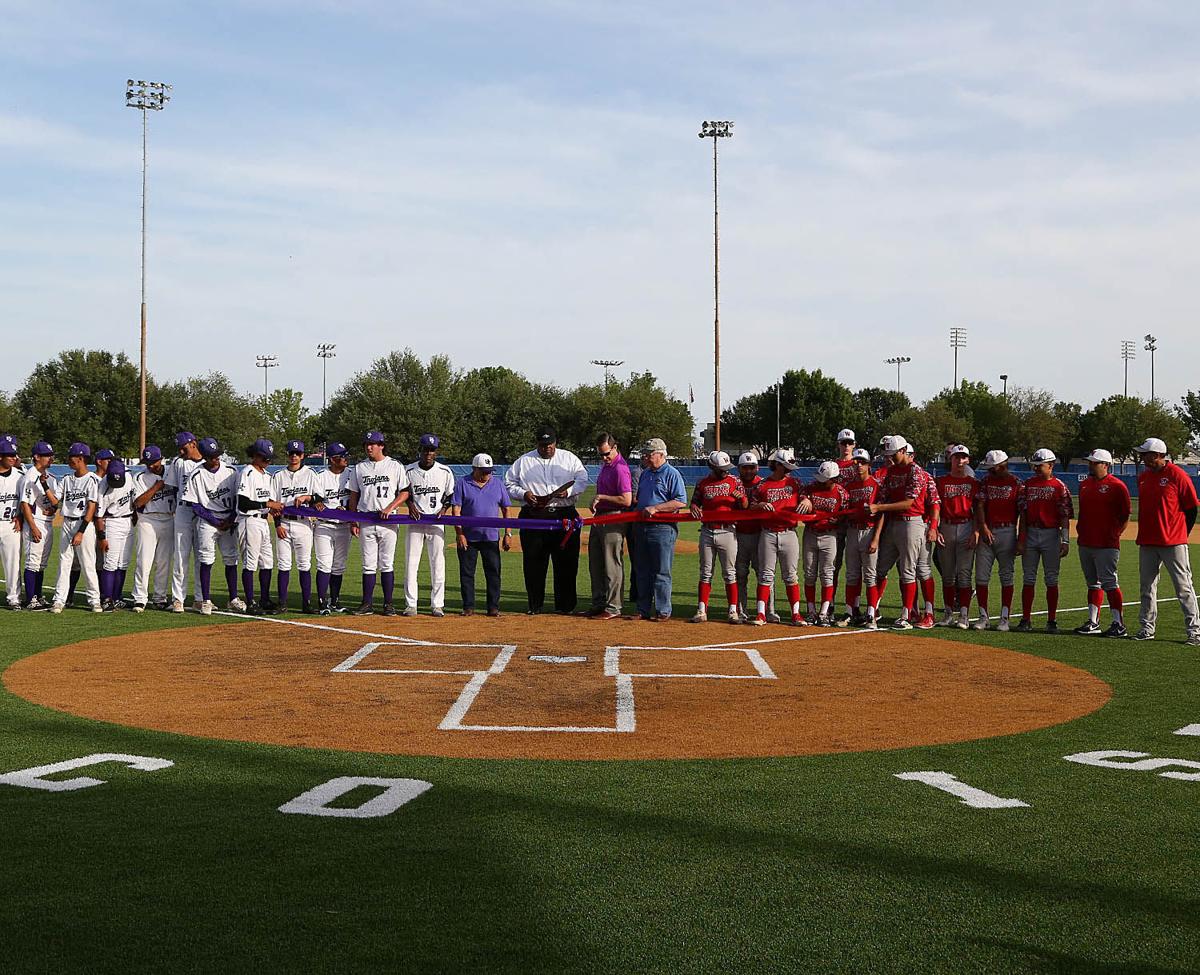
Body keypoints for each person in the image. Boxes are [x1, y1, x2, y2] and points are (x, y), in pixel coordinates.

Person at [504, 427, 588, 615]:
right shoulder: (523, 461)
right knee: (533, 563)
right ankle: (535, 605)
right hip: (534, 515)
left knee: (566, 563)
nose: (546, 448)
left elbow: (582, 479)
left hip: (564, 513)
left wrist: (569, 492)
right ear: (537, 444)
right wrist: (524, 494)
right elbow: (509, 483)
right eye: (542, 445)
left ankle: (565, 606)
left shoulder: (569, 458)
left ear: (555, 443)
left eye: (550, 444)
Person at [1133, 437, 1199, 646]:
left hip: (1173, 542)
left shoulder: (1177, 475)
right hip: (1148, 541)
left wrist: (1181, 534)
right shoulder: (1143, 477)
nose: (1143, 458)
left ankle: (1195, 632)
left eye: (1146, 454)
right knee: (1147, 587)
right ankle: (1146, 628)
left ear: (1158, 455)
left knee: (1183, 588)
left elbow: (1191, 508)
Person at [867, 435, 930, 629]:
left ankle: (906, 615)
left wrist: (879, 508)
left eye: (893, 454)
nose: (890, 458)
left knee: (908, 571)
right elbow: (883, 500)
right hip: (893, 523)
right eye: (888, 455)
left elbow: (908, 503)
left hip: (912, 522)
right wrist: (877, 534)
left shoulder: (915, 471)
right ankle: (872, 612)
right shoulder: (891, 472)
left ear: (903, 451)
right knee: (879, 568)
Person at [346, 430, 410, 616]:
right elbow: (353, 496)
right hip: (366, 519)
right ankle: (367, 603)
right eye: (366, 444)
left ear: (381, 445)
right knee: (368, 564)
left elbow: (405, 492)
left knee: (386, 563)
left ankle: (388, 604)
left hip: (388, 521)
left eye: (373, 444)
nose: (369, 447)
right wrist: (353, 520)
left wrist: (390, 507)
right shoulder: (359, 468)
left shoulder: (394, 465)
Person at [1073, 448, 1131, 638]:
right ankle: (1093, 621)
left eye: (1094, 462)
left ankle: (1118, 624)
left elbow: (1125, 515)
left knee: (1110, 582)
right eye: (1090, 462)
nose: (1090, 465)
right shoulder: (1085, 484)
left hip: (1106, 543)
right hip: (1086, 541)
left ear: (1105, 465)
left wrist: (1114, 535)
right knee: (1092, 583)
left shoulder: (1117, 486)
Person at [182, 437, 243, 616]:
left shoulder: (231, 471)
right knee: (206, 559)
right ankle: (206, 601)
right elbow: (195, 505)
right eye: (211, 456)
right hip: (208, 521)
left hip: (228, 518)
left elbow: (239, 499)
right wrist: (215, 522)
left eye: (217, 455)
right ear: (204, 456)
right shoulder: (197, 474)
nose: (215, 459)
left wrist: (231, 519)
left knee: (231, 559)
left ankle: (233, 598)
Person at [1015, 448, 1073, 633]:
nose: (1037, 469)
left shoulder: (1059, 487)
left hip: (1051, 534)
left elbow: (1064, 516)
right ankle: (1026, 619)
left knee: (1051, 578)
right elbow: (1023, 515)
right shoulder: (1027, 485)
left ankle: (1052, 620)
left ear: (1051, 465)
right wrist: (1021, 539)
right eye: (1035, 466)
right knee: (1029, 578)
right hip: (1031, 532)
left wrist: (1065, 541)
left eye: (1041, 466)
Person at [689, 450, 747, 623]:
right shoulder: (702, 483)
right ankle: (701, 610)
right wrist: (693, 507)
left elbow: (745, 505)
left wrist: (741, 498)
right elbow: (695, 502)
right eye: (722, 468)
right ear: (712, 467)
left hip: (728, 531)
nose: (725, 471)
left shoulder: (735, 481)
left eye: (727, 468)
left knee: (730, 573)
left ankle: (732, 611)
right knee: (705, 573)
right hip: (707, 531)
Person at [633, 437, 688, 620]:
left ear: (661, 454)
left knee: (661, 570)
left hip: (662, 528)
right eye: (645, 454)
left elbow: (680, 501)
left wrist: (657, 508)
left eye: (649, 454)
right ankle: (642, 609)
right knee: (642, 570)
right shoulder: (646, 473)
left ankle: (663, 610)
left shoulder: (672, 474)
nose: (646, 457)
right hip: (642, 527)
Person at [452, 452, 511, 617]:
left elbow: (506, 509)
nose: (487, 474)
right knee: (467, 573)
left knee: (493, 573)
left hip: (491, 537)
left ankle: (493, 607)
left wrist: (508, 533)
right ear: (474, 469)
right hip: (468, 537)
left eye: (489, 471)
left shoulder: (498, 484)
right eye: (483, 471)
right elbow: (456, 510)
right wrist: (460, 534)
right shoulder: (463, 483)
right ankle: (468, 607)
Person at [405, 433, 456, 618]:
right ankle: (411, 604)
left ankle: (437, 604)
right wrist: (410, 506)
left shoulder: (445, 471)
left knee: (438, 563)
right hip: (415, 522)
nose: (428, 453)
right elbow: (404, 492)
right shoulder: (409, 470)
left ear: (436, 452)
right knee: (411, 563)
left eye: (432, 450)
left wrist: (444, 510)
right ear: (420, 450)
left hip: (436, 522)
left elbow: (450, 495)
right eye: (426, 449)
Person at [973, 449, 1023, 631]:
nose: (989, 472)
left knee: (1006, 576)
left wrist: (1020, 539)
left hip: (1007, 531)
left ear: (1003, 466)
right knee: (981, 576)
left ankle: (1004, 618)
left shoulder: (1016, 483)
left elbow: (1022, 513)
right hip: (988, 531)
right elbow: (979, 505)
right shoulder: (986, 481)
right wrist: (983, 527)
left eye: (993, 469)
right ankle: (983, 617)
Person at [50, 443, 101, 614]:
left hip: (84, 524)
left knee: (87, 564)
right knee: (64, 563)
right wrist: (43, 486)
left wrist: (81, 531)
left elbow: (92, 507)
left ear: (80, 458)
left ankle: (95, 601)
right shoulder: (66, 479)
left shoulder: (92, 479)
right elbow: (56, 501)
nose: (69, 459)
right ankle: (59, 600)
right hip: (67, 522)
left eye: (71, 456)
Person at [587, 433, 632, 620]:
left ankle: (614, 606)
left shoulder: (620, 468)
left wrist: (602, 497)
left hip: (613, 519)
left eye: (606, 453)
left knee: (611, 564)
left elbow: (626, 500)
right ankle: (598, 603)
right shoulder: (607, 466)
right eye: (601, 454)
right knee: (595, 564)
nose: (604, 458)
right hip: (600, 518)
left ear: (615, 447)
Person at [935, 445, 979, 629]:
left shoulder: (973, 483)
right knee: (947, 575)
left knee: (964, 574)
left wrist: (976, 531)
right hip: (946, 526)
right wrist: (935, 529)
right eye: (956, 457)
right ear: (950, 459)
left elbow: (978, 511)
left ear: (968, 460)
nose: (960, 461)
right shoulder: (941, 481)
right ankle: (947, 614)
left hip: (966, 526)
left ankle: (964, 615)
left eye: (963, 458)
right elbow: (935, 507)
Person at [802, 460, 850, 625]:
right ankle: (811, 611)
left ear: (834, 479)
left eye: (825, 479)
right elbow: (800, 496)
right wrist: (804, 499)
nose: (820, 481)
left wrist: (837, 521)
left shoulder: (842, 493)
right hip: (810, 533)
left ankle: (824, 612)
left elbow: (845, 516)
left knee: (827, 575)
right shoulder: (811, 488)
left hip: (830, 535)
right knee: (809, 575)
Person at [840, 447, 883, 629]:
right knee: (852, 574)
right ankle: (852, 611)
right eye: (856, 462)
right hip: (852, 531)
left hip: (868, 531)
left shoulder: (876, 485)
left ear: (869, 465)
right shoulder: (849, 486)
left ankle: (871, 614)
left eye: (863, 462)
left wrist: (876, 539)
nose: (859, 465)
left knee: (870, 576)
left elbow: (881, 513)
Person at [273, 440, 318, 613]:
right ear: (287, 454)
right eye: (291, 453)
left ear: (303, 456)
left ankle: (306, 603)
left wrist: (307, 497)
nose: (294, 456)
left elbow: (319, 499)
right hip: (284, 522)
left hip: (304, 523)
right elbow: (274, 504)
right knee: (283, 564)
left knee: (304, 564)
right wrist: (277, 525)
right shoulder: (278, 476)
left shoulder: (310, 474)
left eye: (297, 454)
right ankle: (282, 603)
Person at [236, 438, 280, 615]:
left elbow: (270, 504)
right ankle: (251, 601)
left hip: (263, 521)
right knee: (251, 562)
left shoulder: (267, 476)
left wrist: (272, 508)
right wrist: (268, 504)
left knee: (267, 562)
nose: (267, 462)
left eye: (269, 458)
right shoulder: (247, 473)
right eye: (264, 458)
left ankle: (264, 598)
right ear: (255, 455)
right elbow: (243, 503)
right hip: (249, 520)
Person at [129, 445, 175, 612]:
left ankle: (160, 598)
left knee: (164, 562)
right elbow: (138, 502)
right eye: (147, 462)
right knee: (144, 560)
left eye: (153, 462)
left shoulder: (172, 471)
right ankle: (140, 598)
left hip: (169, 518)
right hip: (147, 519)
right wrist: (157, 487)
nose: (150, 466)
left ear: (161, 459)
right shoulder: (140, 477)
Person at [312, 442, 354, 615]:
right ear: (332, 459)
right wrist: (317, 501)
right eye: (341, 456)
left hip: (344, 526)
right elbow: (314, 497)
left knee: (338, 566)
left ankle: (335, 601)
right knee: (324, 564)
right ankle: (322, 603)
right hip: (324, 525)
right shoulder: (320, 476)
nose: (345, 459)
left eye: (345, 455)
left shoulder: (352, 474)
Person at [734, 451, 775, 623]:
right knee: (740, 574)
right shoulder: (733, 484)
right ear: (739, 469)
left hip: (760, 535)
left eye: (752, 467)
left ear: (757, 468)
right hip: (739, 535)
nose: (749, 471)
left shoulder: (763, 484)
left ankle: (769, 610)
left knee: (764, 574)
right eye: (745, 468)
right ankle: (741, 609)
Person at [167, 431, 203, 613]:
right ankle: (178, 598)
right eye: (179, 448)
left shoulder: (207, 462)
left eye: (184, 447)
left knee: (201, 556)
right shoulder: (178, 462)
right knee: (181, 555)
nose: (181, 451)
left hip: (203, 511)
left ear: (193, 443)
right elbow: (172, 487)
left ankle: (200, 598)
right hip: (183, 509)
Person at [19, 441, 58, 610]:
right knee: (32, 562)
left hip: (48, 522)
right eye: (47, 455)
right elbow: (25, 504)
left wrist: (53, 509)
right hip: (35, 522)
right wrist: (33, 526)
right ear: (36, 457)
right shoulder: (30, 475)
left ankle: (38, 595)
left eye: (51, 455)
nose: (51, 458)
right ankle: (30, 599)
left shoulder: (50, 477)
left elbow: (55, 502)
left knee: (41, 564)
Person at [96, 460, 138, 611]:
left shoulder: (129, 476)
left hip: (128, 521)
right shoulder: (103, 486)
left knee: (123, 563)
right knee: (111, 563)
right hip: (112, 523)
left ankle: (117, 597)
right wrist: (102, 537)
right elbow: (99, 516)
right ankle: (107, 599)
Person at [911, 443, 941, 629]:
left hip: (920, 525)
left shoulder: (924, 475)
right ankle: (912, 610)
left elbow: (935, 502)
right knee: (907, 571)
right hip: (897, 528)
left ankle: (929, 613)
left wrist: (933, 526)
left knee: (922, 569)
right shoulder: (889, 475)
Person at [0, 435, 22, 609]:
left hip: (11, 524)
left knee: (13, 563)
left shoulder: (20, 476)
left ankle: (14, 598)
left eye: (15, 455)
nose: (14, 458)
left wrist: (21, 516)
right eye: (10, 455)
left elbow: (26, 502)